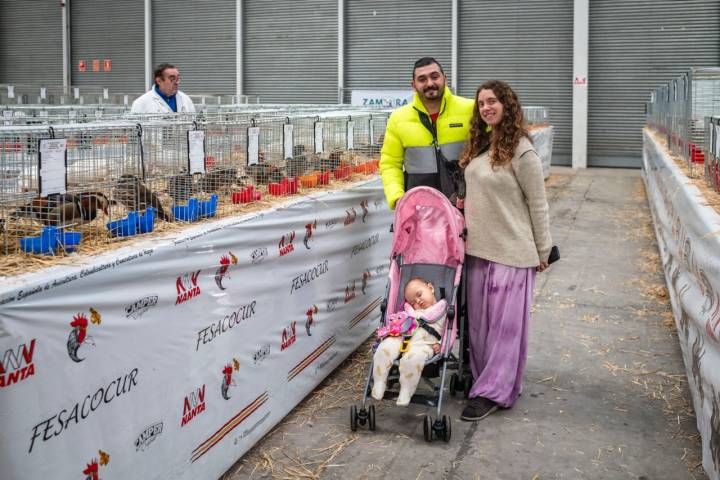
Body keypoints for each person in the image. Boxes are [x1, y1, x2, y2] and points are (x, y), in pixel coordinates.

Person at [458, 80, 552, 422]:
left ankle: (494, 391)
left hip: (512, 251)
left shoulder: (522, 150)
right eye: (481, 103)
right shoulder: (482, 145)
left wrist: (544, 250)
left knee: (504, 330)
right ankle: (488, 380)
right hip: (477, 250)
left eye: (493, 101)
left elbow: (538, 203)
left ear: (507, 105)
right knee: (481, 328)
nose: (486, 107)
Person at [379, 57, 474, 210]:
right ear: (413, 85)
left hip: (467, 205)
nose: (430, 83)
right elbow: (390, 164)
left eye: (435, 76)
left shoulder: (470, 109)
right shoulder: (398, 118)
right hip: (420, 209)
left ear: (445, 78)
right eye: (422, 79)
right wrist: (398, 199)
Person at [371, 277, 447, 406]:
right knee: (384, 348)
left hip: (424, 345)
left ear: (430, 288)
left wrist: (440, 345)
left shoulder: (443, 311)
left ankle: (406, 390)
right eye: (413, 302)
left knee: (413, 359)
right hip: (402, 338)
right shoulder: (410, 312)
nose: (418, 301)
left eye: (419, 294)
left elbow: (448, 333)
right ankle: (379, 382)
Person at [131, 63, 195, 114]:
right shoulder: (141, 103)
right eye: (172, 79)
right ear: (159, 81)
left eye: (178, 78)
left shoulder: (185, 99)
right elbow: (134, 129)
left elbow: (194, 125)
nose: (177, 82)